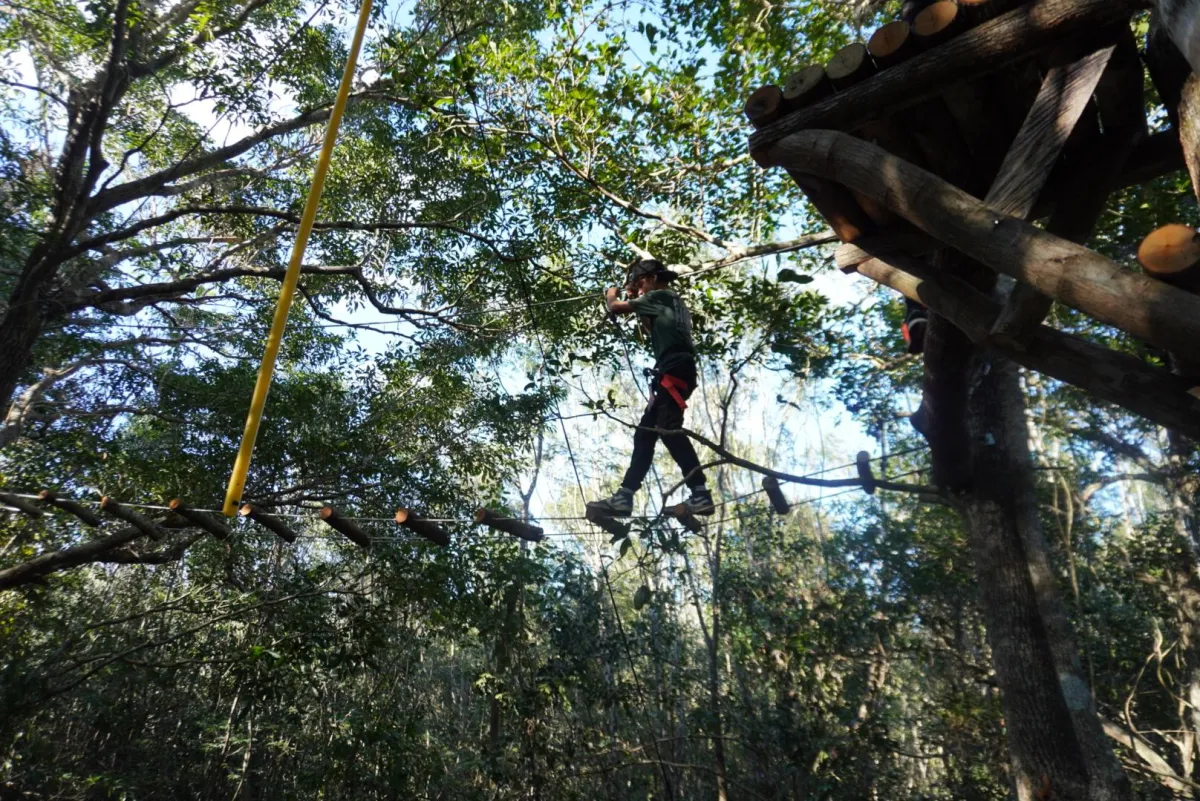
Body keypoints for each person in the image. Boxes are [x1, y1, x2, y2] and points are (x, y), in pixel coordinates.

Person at [587, 259, 715, 518]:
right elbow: (649, 327)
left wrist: (612, 295)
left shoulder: (662, 295)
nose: (640, 288)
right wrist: (637, 301)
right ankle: (625, 496)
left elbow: (615, 307)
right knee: (645, 433)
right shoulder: (667, 301)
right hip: (674, 369)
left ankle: (700, 494)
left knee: (668, 430)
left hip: (675, 369)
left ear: (655, 277)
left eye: (641, 282)